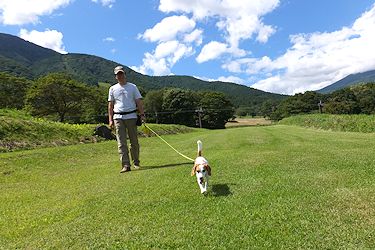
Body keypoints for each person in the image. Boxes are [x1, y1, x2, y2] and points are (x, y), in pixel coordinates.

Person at [108, 65, 145, 173]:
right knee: (121, 143)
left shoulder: (133, 87)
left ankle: (136, 162)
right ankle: (125, 165)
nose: (120, 76)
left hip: (132, 116)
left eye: (121, 73)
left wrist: (142, 114)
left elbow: (139, 101)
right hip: (118, 117)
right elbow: (110, 105)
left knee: (134, 142)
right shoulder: (112, 89)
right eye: (118, 74)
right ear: (116, 76)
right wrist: (110, 120)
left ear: (125, 74)